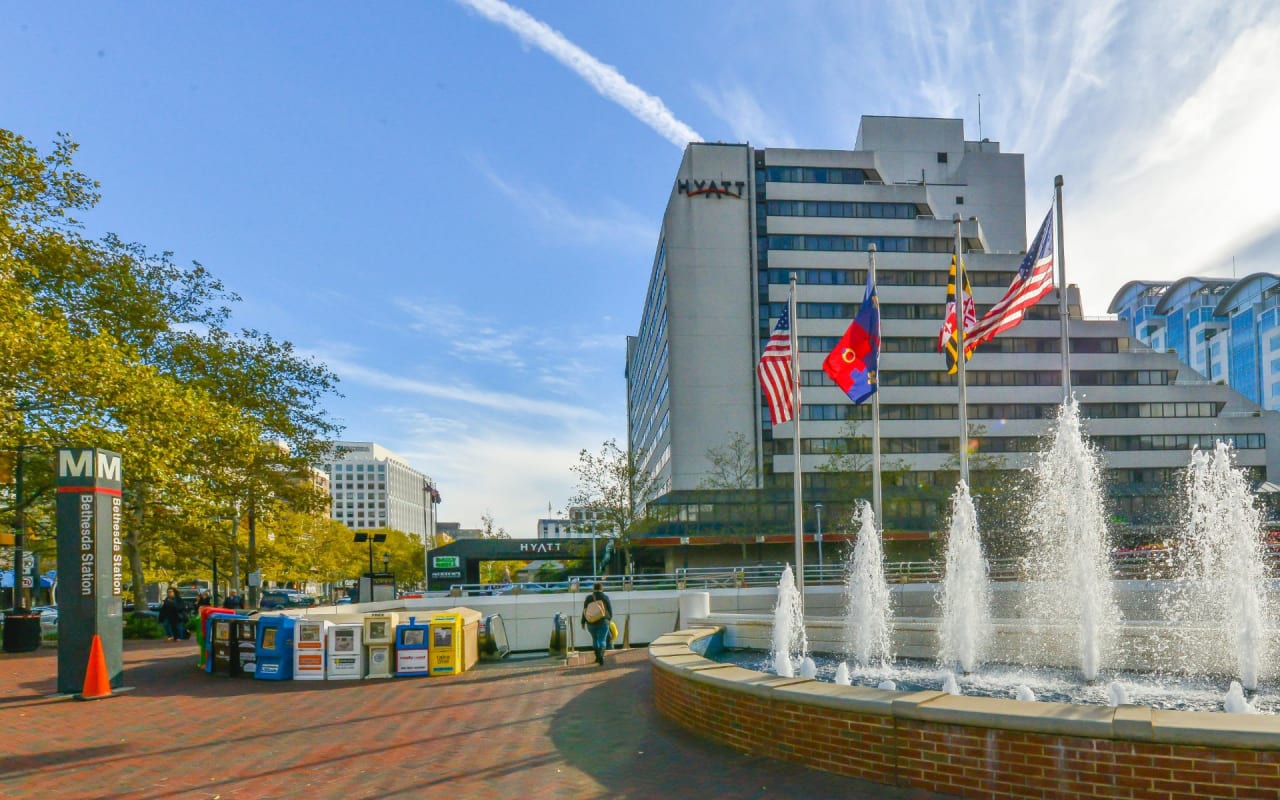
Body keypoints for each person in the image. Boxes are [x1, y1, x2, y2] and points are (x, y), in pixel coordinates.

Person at [579, 581, 613, 666]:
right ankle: (601, 655)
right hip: (603, 621)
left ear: (593, 589)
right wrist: (608, 620)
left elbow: (584, 611)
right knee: (602, 639)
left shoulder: (589, 598)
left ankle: (597, 656)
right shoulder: (605, 597)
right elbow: (610, 611)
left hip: (591, 622)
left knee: (595, 639)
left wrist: (583, 622)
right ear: (602, 588)